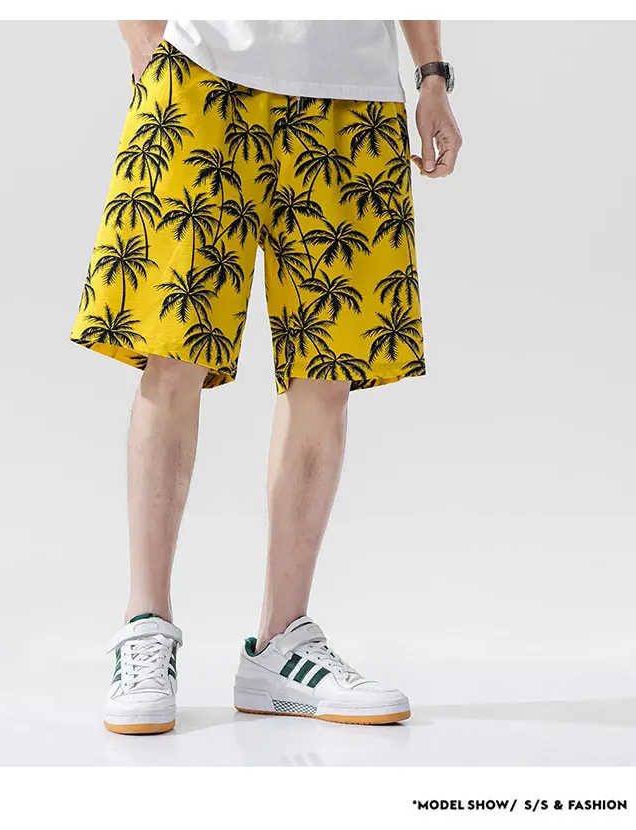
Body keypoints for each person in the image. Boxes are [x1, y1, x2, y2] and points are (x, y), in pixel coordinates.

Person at [71, 20, 462, 734]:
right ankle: (145, 625)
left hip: (353, 92)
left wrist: (431, 73)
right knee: (172, 352)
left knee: (329, 371)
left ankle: (282, 644)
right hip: (200, 70)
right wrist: (140, 33)